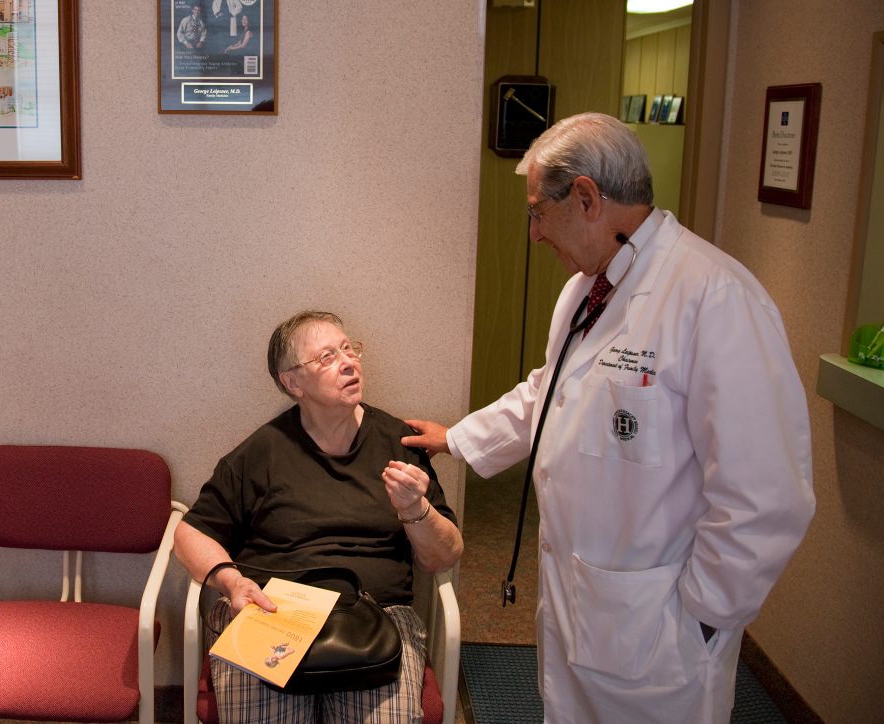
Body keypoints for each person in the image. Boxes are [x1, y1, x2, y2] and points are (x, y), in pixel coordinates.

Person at [403, 112, 815, 723]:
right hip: (585, 608)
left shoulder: (715, 298)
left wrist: (700, 618)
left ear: (589, 198)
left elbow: (766, 497)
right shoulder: (587, 289)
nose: (535, 233)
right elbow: (556, 391)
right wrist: (459, 438)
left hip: (659, 632)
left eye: (538, 211)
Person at [175, 310, 463, 723]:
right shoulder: (261, 453)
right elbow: (189, 534)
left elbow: (444, 556)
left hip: (376, 617)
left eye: (349, 349)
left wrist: (415, 509)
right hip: (273, 612)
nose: (349, 362)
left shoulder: (398, 443)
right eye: (327, 357)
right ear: (292, 382)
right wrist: (232, 581)